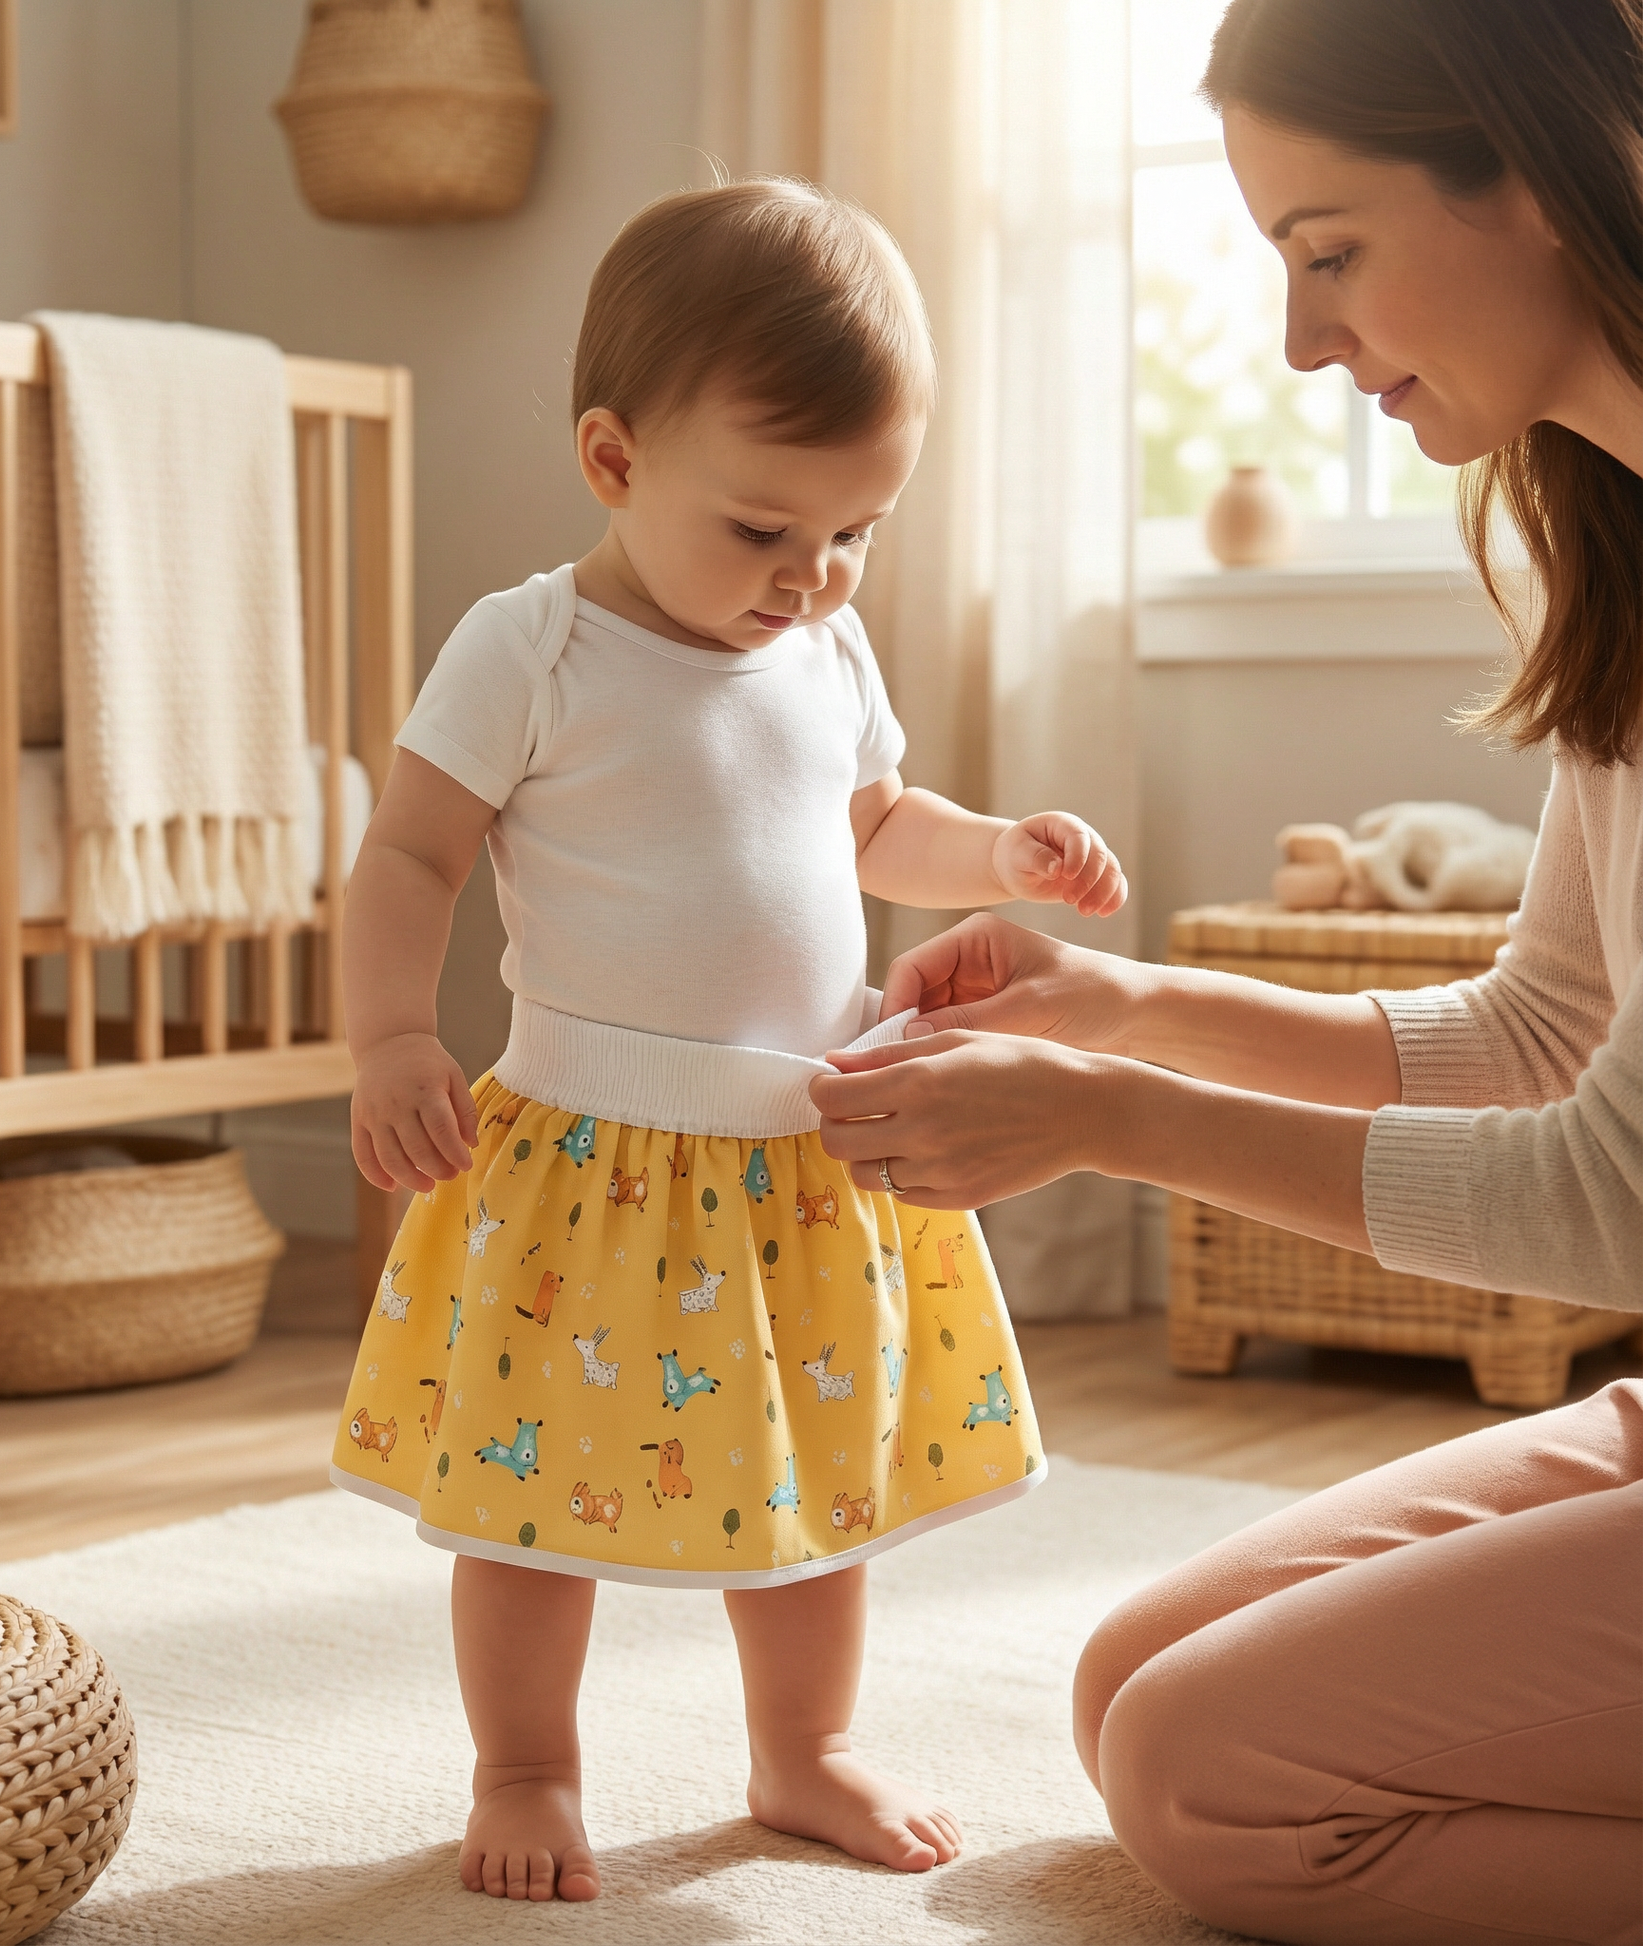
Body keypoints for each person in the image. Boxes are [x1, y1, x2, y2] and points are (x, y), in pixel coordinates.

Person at [810, 3, 1643, 1940]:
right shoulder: (1618, 544)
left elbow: (1612, 1191)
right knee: (1131, 1688)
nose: (1300, 342)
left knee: (1210, 1777)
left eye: (1326, 253)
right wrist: (1121, 1006)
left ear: (1534, 171)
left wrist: (1105, 1117)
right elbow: (1544, 1029)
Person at [329, 179, 1129, 1905]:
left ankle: (803, 1748)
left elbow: (871, 825)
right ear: (613, 460)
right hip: (591, 1154)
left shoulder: (823, 645)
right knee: (532, 1495)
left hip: (802, 1147)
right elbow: (407, 854)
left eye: (855, 530)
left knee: (814, 1477)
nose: (812, 575)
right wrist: (391, 1030)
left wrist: (994, 853)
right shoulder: (529, 644)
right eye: (766, 528)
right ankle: (527, 1760)